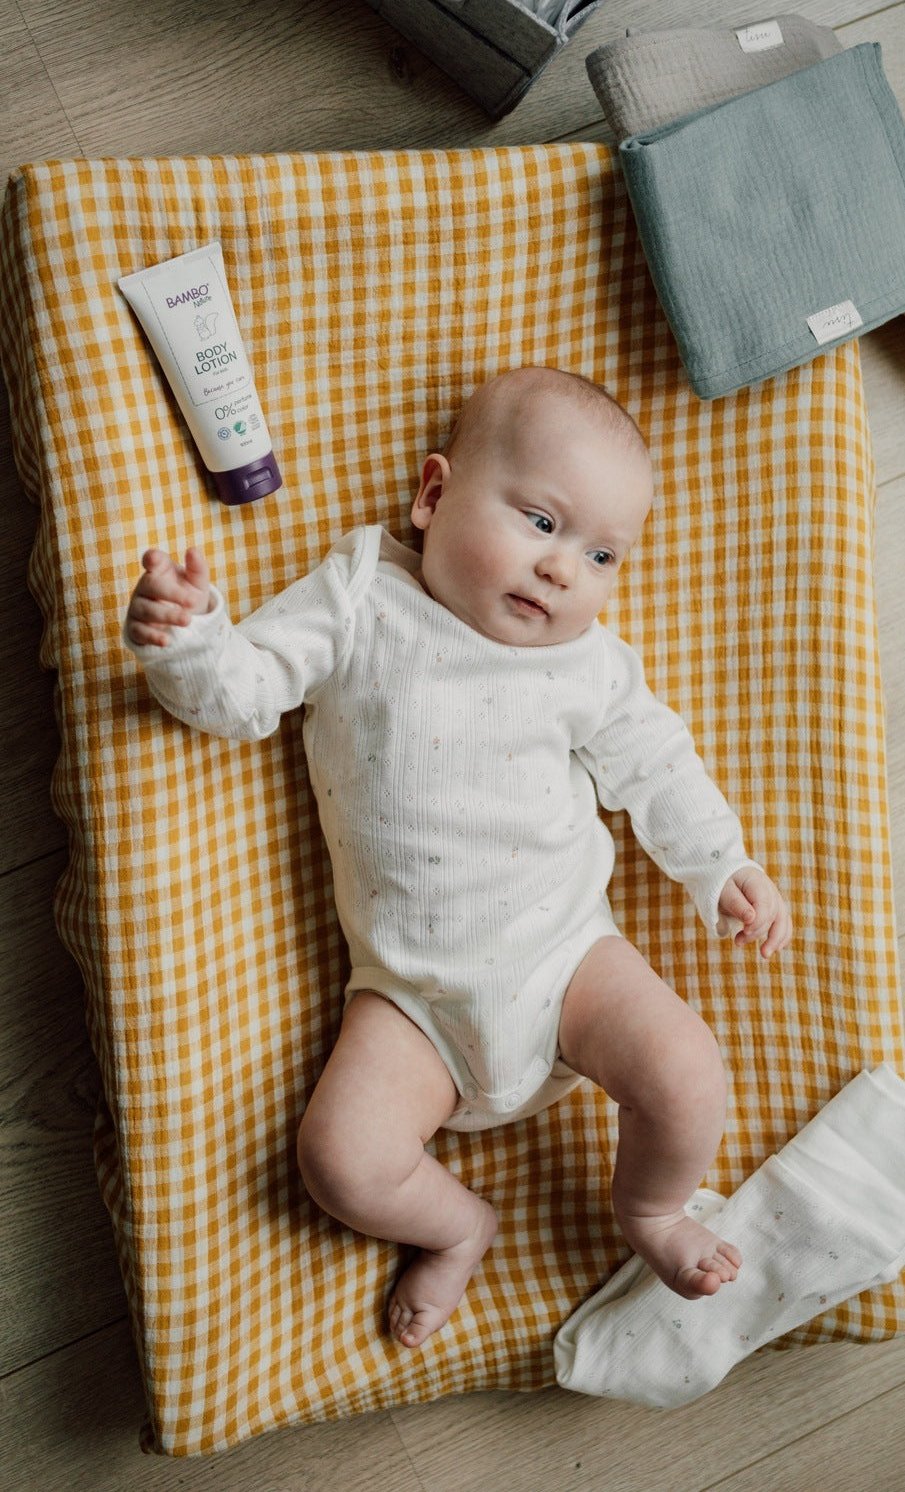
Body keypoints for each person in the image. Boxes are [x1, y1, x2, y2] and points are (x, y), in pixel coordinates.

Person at [124, 365, 792, 1349]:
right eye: (540, 521)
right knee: (338, 1160)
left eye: (602, 553)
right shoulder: (361, 597)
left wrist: (719, 865)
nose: (564, 568)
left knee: (687, 1070)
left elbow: (657, 765)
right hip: (410, 998)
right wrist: (189, 642)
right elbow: (243, 692)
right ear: (432, 495)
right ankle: (453, 1226)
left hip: (568, 960)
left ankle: (652, 1210)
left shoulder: (588, 663)